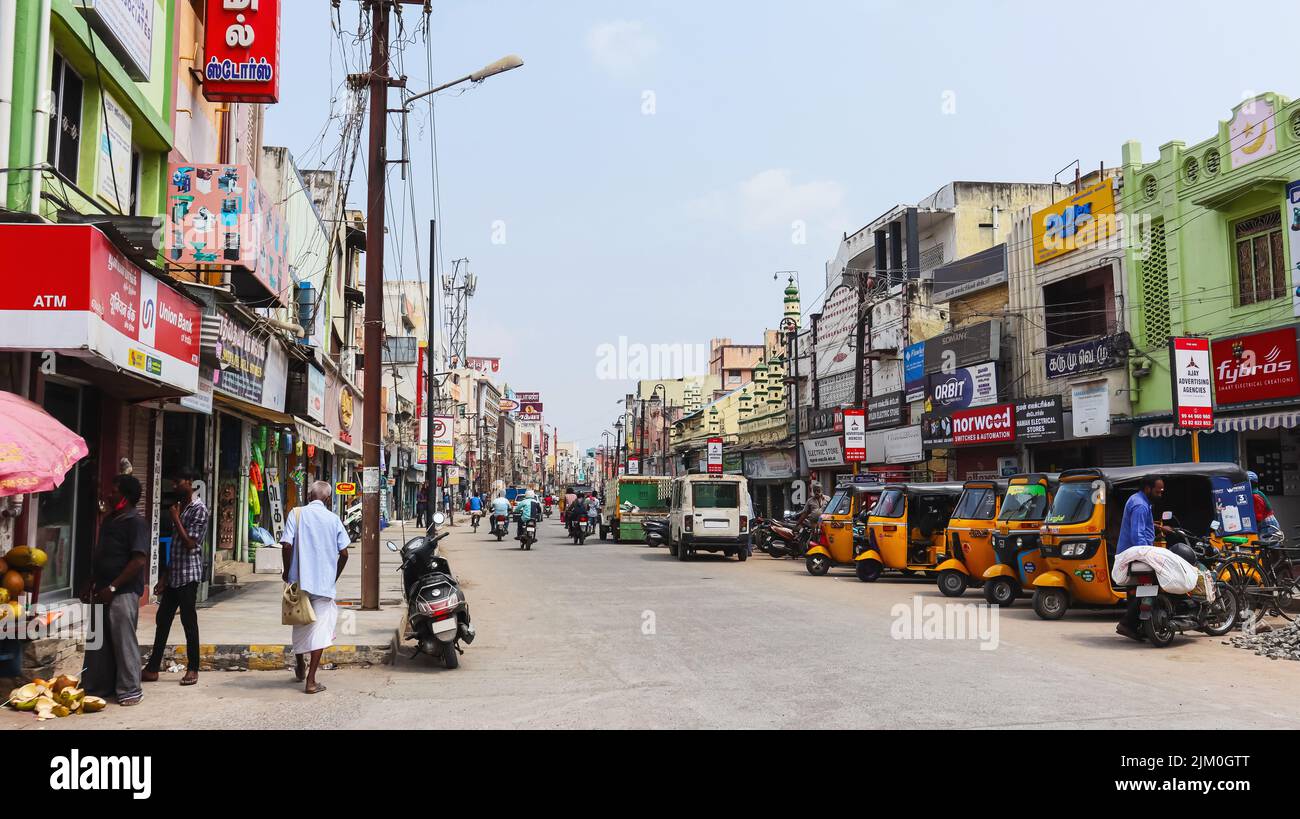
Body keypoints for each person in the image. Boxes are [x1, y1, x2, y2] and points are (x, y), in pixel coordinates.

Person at [83, 474, 149, 706]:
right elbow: (103, 553)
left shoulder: (136, 523)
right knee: (98, 641)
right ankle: (97, 686)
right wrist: (92, 580)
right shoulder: (111, 520)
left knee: (123, 640)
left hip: (122, 591)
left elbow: (138, 560)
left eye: (114, 491)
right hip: (102, 588)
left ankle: (130, 689)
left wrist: (113, 586)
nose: (110, 495)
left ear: (126, 496)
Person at [280, 481, 350, 694]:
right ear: (328, 499)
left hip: (299, 581)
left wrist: (287, 571)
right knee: (320, 630)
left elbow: (287, 545)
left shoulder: (296, 514)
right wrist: (333, 577)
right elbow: (345, 553)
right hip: (323, 584)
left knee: (300, 622)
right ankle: (311, 680)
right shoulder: (333, 519)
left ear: (309, 495)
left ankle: (300, 664)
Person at [143, 468, 208, 687]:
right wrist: (164, 578)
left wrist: (176, 519)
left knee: (189, 622)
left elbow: (190, 543)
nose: (174, 486)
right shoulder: (180, 509)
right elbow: (177, 548)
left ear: (189, 482)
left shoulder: (199, 510)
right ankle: (153, 667)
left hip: (189, 574)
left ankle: (193, 668)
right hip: (175, 574)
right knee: (163, 619)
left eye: (177, 482)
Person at [1115, 475, 1169, 641]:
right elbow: (1137, 534)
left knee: (1137, 590)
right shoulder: (1140, 505)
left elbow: (1141, 525)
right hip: (1135, 553)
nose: (1160, 495)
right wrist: (1147, 556)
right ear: (1147, 489)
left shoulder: (1138, 500)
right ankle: (1127, 624)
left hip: (1133, 552)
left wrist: (1158, 527)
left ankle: (1137, 626)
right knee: (1150, 587)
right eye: (1158, 491)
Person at [1248, 471, 1283, 543]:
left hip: (1267, 524)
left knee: (1270, 547)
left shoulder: (1255, 496)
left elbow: (1259, 515)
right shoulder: (1255, 494)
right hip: (1264, 523)